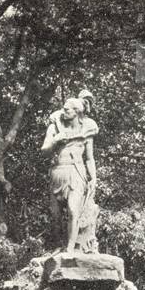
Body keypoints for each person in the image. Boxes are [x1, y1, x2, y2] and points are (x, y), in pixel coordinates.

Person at [41, 97, 98, 253]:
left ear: (76, 112)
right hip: (58, 171)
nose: (64, 111)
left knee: (73, 209)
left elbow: (89, 158)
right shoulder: (54, 128)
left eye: (67, 109)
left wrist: (93, 177)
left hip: (76, 172)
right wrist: (55, 141)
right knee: (55, 214)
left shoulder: (86, 130)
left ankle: (71, 248)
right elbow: (44, 150)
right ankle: (59, 245)